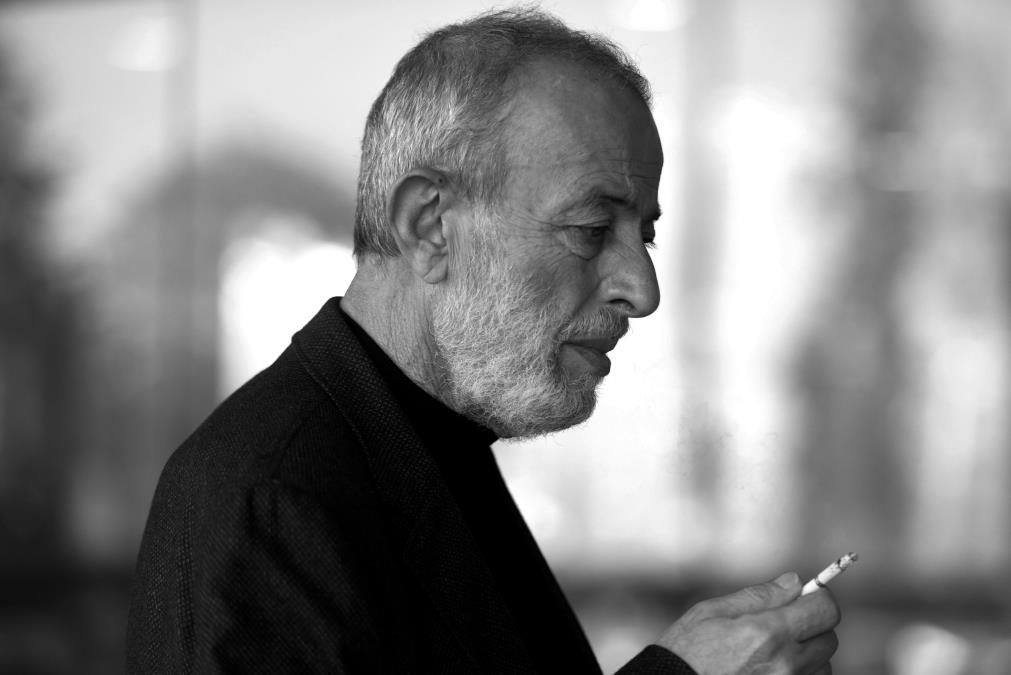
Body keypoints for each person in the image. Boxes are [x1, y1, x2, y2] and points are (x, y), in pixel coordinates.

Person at [126, 8, 841, 674]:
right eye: (592, 229)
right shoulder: (270, 500)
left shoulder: (425, 448)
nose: (642, 289)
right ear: (430, 226)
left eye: (644, 234)